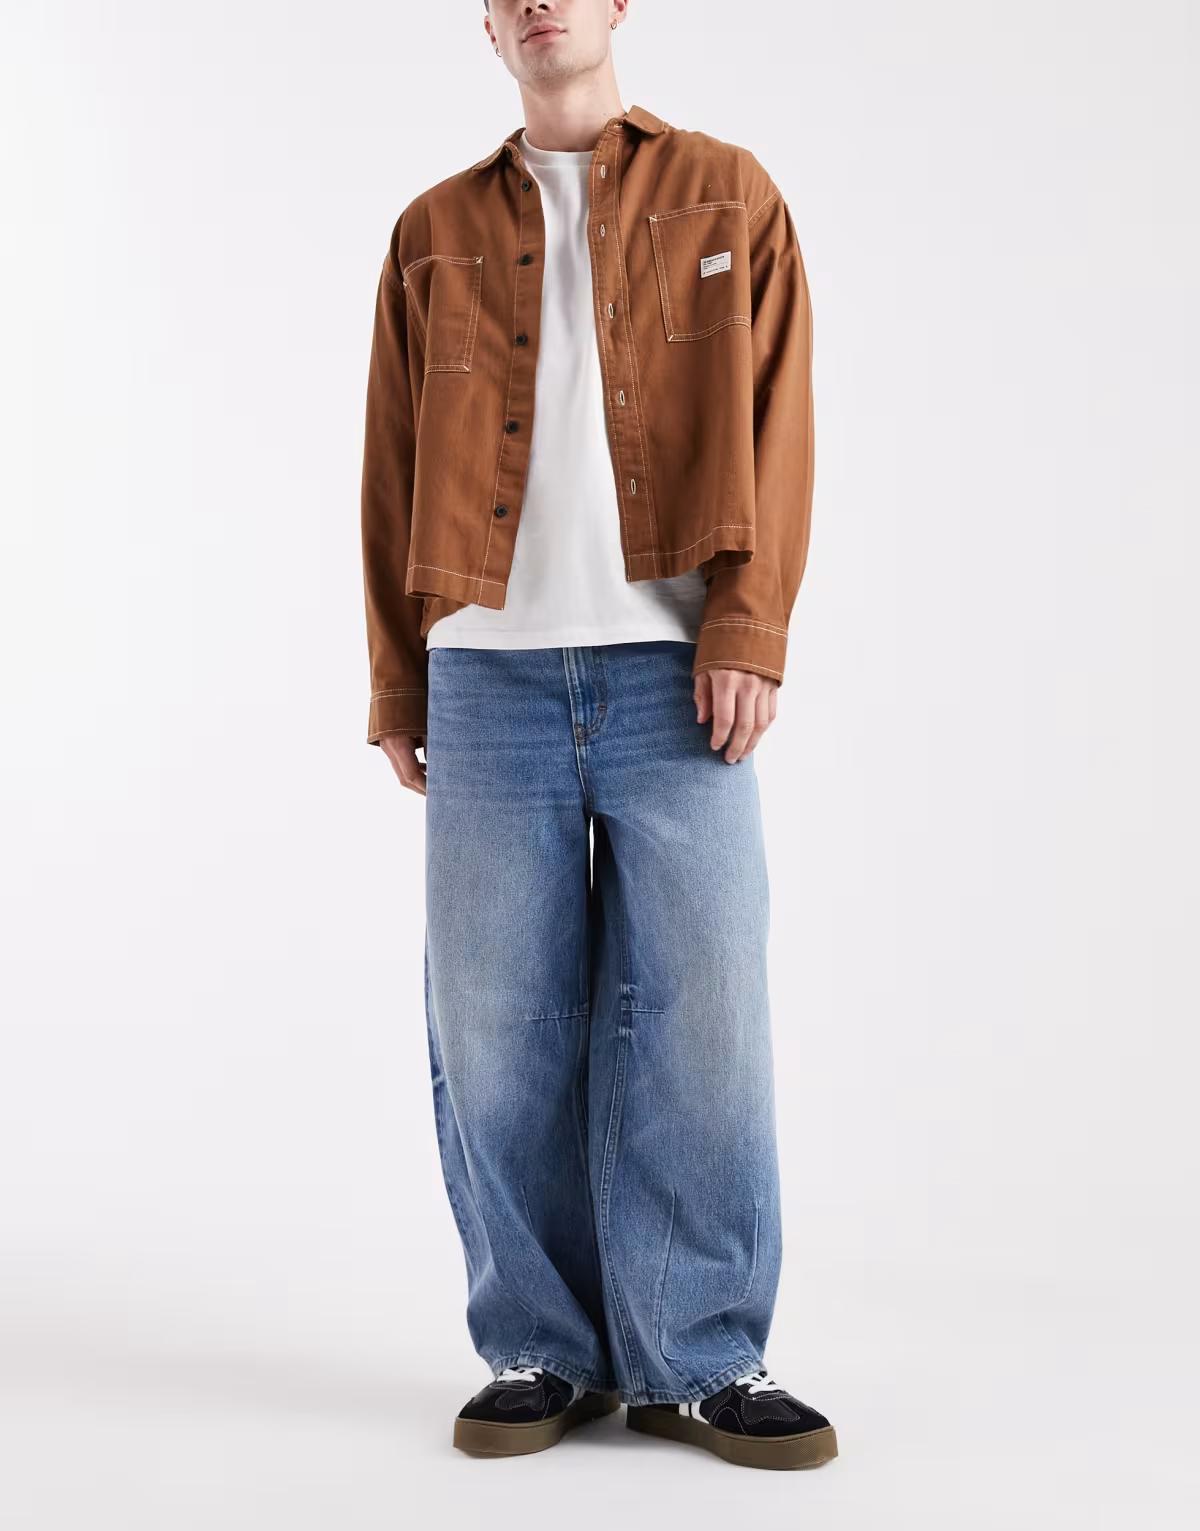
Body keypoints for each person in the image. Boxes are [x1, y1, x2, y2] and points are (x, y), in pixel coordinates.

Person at [359, 0, 836, 1471]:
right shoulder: (432, 231)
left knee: (704, 1016)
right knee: (494, 1026)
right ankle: (541, 1349)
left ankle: (700, 1356)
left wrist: (749, 625)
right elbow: (387, 464)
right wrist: (397, 681)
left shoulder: (728, 192)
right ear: (488, 26)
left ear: (618, 4)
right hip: (485, 677)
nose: (538, 2)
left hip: (675, 671)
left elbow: (781, 416)